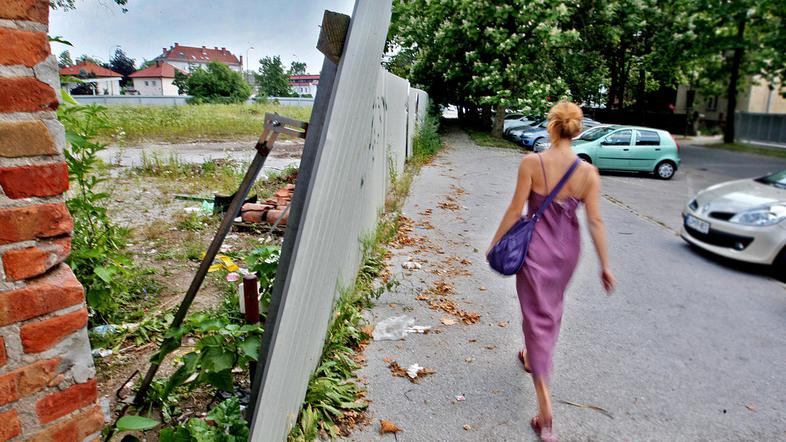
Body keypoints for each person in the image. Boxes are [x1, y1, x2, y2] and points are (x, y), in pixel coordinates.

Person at [487, 101, 616, 441]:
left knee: (536, 316)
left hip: (536, 252)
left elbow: (516, 210)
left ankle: (545, 415)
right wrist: (605, 266)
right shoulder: (588, 173)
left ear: (551, 126)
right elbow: (596, 221)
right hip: (566, 253)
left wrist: (495, 243)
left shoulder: (533, 163)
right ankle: (531, 355)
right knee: (548, 309)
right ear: (577, 129)